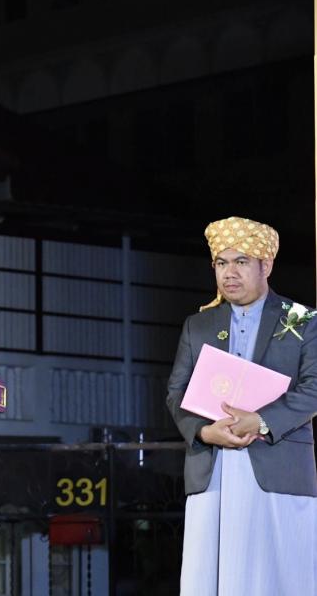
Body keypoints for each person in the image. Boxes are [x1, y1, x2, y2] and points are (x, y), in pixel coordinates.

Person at [166, 216, 317, 595]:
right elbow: (176, 392)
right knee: (210, 576)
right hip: (212, 466)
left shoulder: (302, 319)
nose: (229, 273)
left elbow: (314, 387)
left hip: (278, 465)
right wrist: (204, 431)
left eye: (241, 262)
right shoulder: (198, 324)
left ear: (266, 265)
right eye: (221, 263)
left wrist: (261, 421)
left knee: (280, 577)